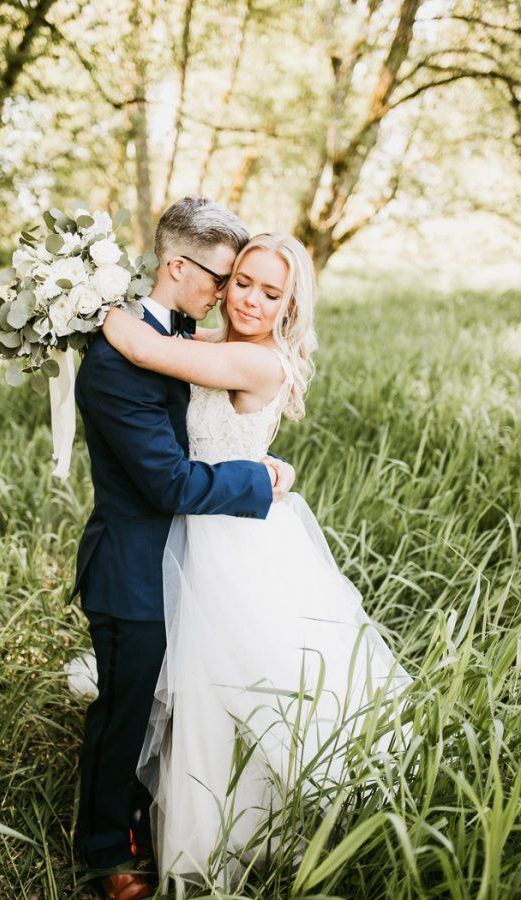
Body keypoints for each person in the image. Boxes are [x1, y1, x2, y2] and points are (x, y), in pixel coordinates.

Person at [102, 231, 414, 893]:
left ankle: (231, 834)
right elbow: (181, 348)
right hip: (204, 519)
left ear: (290, 304)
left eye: (270, 292)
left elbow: (148, 348)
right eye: (241, 281)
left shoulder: (260, 363)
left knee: (231, 681)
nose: (249, 299)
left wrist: (89, 300)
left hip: (231, 539)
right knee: (202, 681)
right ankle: (178, 816)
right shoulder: (225, 346)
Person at [67, 197, 295, 900]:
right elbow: (167, 481)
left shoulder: (181, 338)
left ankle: (178, 812)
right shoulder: (117, 362)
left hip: (198, 562)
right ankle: (107, 851)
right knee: (126, 712)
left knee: (196, 702)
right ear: (176, 266)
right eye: (224, 279)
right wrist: (257, 478)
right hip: (135, 567)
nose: (231, 295)